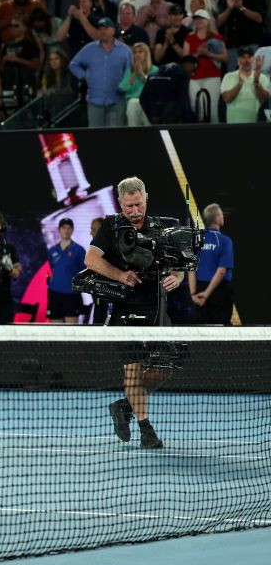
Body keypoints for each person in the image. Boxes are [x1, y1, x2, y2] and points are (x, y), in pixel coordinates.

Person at [85, 177, 185, 449]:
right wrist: (119, 274)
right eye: (129, 206)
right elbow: (91, 259)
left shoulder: (163, 226)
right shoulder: (110, 226)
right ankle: (146, 430)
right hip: (124, 309)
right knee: (133, 370)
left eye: (138, 204)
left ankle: (124, 407)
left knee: (165, 367)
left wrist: (177, 278)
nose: (134, 210)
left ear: (146, 198)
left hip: (157, 309)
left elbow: (181, 263)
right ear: (121, 203)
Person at [69, 17, 132, 126]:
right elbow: (73, 65)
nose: (102, 31)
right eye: (100, 29)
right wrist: (84, 75)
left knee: (115, 137)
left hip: (117, 100)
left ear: (113, 30)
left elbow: (131, 71)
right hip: (95, 100)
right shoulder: (89, 49)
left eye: (106, 28)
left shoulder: (125, 50)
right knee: (95, 137)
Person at [188, 203, 234, 325]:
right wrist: (207, 294)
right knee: (221, 333)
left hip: (199, 291)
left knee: (202, 332)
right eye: (222, 215)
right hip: (218, 291)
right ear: (218, 219)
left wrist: (193, 294)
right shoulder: (225, 241)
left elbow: (191, 268)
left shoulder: (197, 240)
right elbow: (221, 271)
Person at [46, 218, 86, 324]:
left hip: (71, 294)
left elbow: (84, 272)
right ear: (59, 230)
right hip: (54, 293)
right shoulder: (52, 250)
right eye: (64, 228)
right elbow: (52, 268)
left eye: (69, 228)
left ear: (72, 230)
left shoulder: (79, 250)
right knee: (55, 330)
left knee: (72, 329)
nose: (66, 230)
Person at [221, 47, 269, 123]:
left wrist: (256, 82)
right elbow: (227, 98)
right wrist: (240, 83)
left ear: (253, 59)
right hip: (234, 124)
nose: (246, 60)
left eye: (249, 57)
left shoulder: (262, 77)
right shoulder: (228, 76)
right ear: (238, 60)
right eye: (243, 57)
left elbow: (264, 99)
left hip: (255, 124)